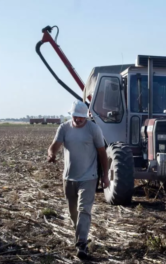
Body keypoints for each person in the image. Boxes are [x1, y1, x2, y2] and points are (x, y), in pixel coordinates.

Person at [47, 101, 110, 260]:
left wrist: (105, 175)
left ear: (86, 117)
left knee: (84, 209)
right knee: (73, 212)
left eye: (81, 117)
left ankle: (82, 244)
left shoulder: (94, 129)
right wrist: (51, 154)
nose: (78, 119)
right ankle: (80, 237)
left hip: (89, 177)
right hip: (69, 178)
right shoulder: (64, 128)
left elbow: (102, 153)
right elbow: (54, 146)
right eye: (76, 116)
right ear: (72, 115)